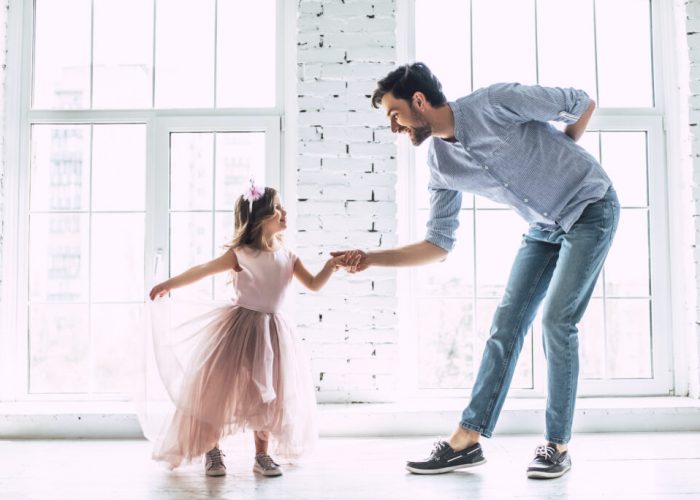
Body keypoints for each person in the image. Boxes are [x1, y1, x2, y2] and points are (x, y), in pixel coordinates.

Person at [334, 63, 619, 479]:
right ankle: (466, 442)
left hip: (591, 206)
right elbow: (438, 245)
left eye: (394, 114)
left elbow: (581, 103)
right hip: (544, 228)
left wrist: (567, 155)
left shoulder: (495, 102)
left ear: (418, 101)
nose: (393, 126)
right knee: (506, 325)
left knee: (557, 321)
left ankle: (556, 445)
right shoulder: (441, 165)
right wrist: (370, 258)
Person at [148, 183, 345, 477]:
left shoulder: (288, 257)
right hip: (238, 330)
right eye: (277, 207)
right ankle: (212, 450)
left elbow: (314, 284)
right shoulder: (240, 254)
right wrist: (168, 284)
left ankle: (262, 455)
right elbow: (202, 269)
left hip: (273, 332)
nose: (284, 211)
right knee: (218, 389)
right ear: (260, 216)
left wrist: (332, 265)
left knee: (267, 393)